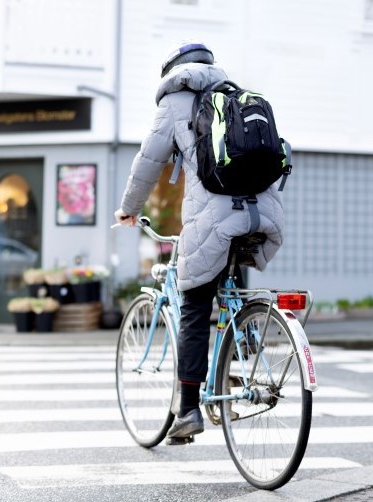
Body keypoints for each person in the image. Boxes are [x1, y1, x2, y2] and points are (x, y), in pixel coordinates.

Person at [114, 40, 285, 441]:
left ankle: (188, 409)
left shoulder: (174, 104)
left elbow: (148, 163)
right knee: (229, 274)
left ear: (173, 72)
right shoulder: (237, 96)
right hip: (263, 216)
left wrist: (128, 209)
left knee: (193, 304)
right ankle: (241, 346)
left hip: (214, 220)